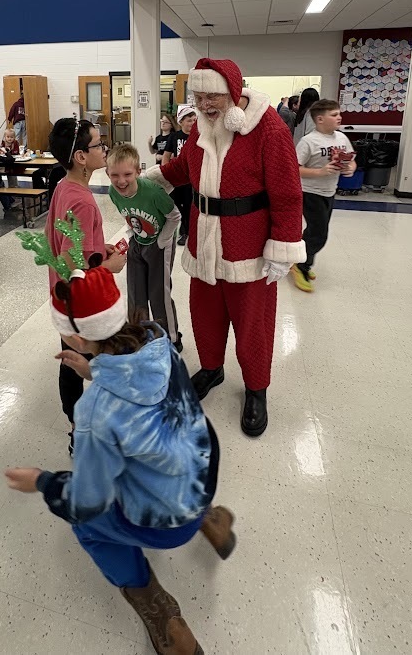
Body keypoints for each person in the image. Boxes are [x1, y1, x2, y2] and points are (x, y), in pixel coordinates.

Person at [5, 259, 235, 655]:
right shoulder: (159, 341)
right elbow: (139, 385)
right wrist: (96, 369)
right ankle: (209, 518)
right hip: (201, 473)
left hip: (165, 521)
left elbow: (88, 497)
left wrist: (42, 481)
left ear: (76, 340)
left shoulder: (95, 410)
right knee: (169, 451)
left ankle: (157, 609)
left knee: (86, 523)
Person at [146, 58, 304, 438]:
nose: (204, 103)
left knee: (253, 326)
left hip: (248, 248)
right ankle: (213, 368)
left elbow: (286, 192)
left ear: (232, 91)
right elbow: (184, 168)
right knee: (205, 316)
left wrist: (282, 245)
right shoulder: (202, 127)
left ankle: (256, 388)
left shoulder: (268, 127)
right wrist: (147, 181)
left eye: (212, 95)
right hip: (204, 243)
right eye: (198, 96)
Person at [47, 117, 127, 454]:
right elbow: (69, 261)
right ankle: (82, 430)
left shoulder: (66, 187)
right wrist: (109, 266)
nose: (104, 149)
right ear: (81, 156)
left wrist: (99, 251)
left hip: (66, 299)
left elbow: (74, 244)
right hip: (83, 303)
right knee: (85, 364)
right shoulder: (80, 199)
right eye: (98, 144)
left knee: (73, 357)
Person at [107, 143, 182, 349]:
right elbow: (129, 214)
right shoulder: (113, 193)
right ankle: (138, 336)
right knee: (135, 291)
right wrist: (132, 233)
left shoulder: (153, 192)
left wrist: (161, 242)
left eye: (127, 174)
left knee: (159, 293)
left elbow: (174, 216)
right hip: (138, 241)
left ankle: (171, 339)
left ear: (138, 172)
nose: (121, 181)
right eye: (115, 175)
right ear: (107, 173)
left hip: (160, 243)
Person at [292, 100, 356, 293]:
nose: (339, 117)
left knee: (314, 231)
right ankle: (301, 266)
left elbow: (352, 160)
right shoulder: (309, 141)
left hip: (330, 192)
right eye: (334, 114)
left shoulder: (342, 138)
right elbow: (294, 169)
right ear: (320, 119)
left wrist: (350, 169)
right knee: (319, 234)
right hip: (310, 192)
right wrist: (319, 172)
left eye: (339, 114)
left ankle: (298, 257)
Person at [162, 104, 196, 246]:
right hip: (176, 178)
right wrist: (164, 174)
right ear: (181, 121)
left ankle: (186, 232)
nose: (192, 123)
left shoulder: (198, 137)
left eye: (195, 120)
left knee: (189, 206)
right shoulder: (174, 137)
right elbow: (166, 156)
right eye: (189, 120)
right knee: (174, 204)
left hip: (191, 180)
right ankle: (178, 228)